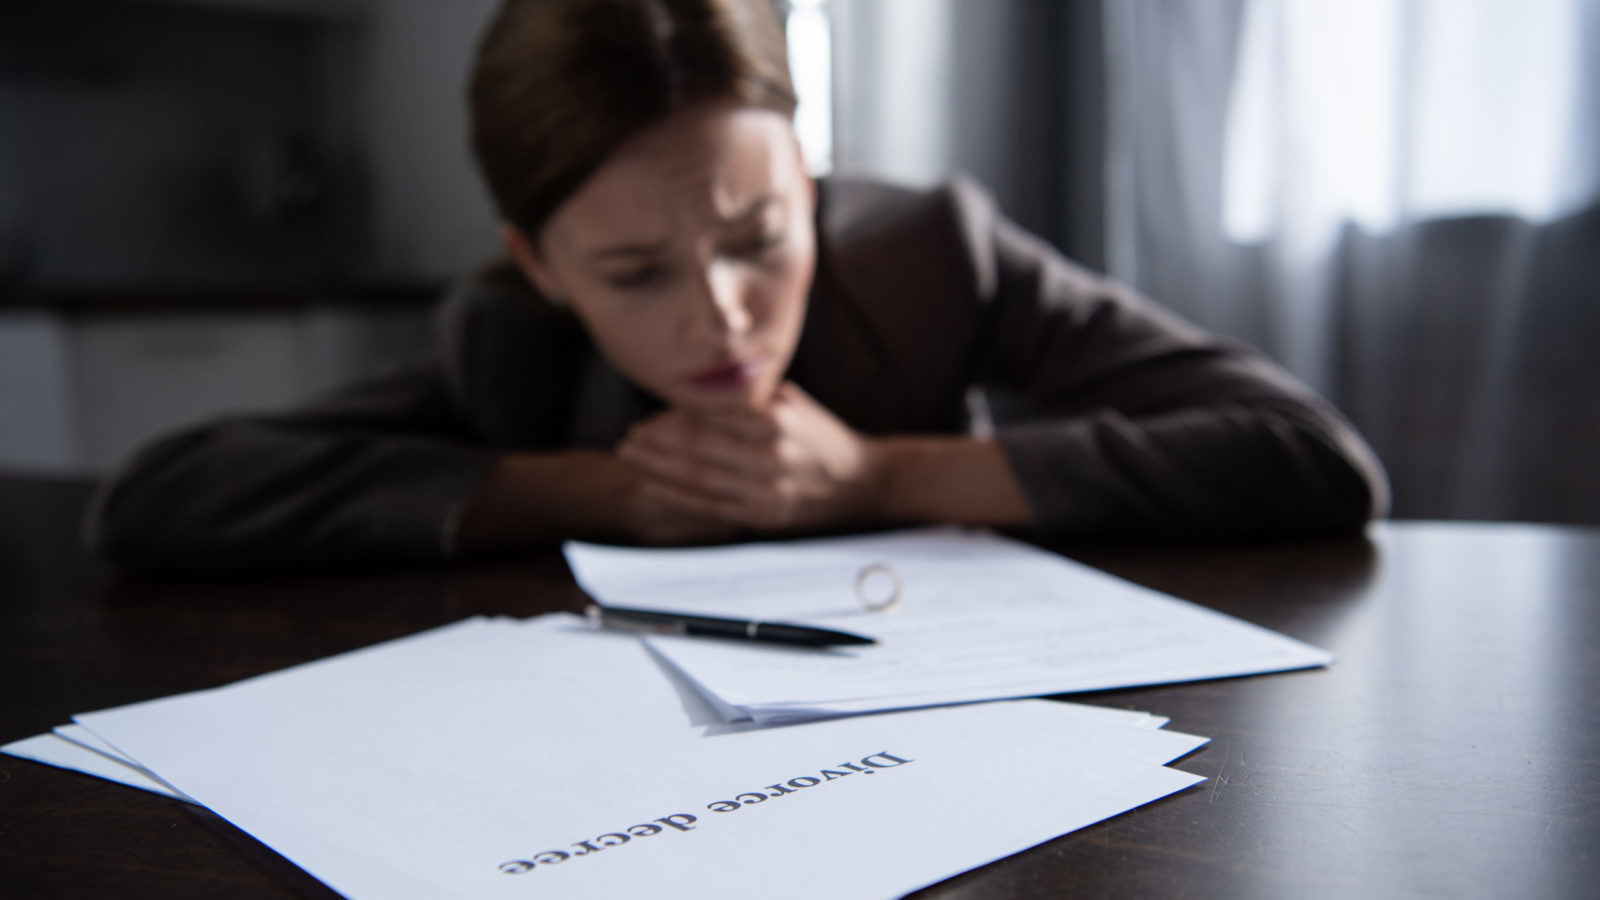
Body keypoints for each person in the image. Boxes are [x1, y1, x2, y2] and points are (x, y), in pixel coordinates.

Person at [86, 0, 1387, 575]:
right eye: (635, 272)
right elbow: (160, 501)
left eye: (761, 236)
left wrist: (881, 476)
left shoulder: (935, 254)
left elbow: (1309, 458)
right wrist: (607, 489)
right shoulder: (510, 344)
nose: (717, 317)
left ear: (810, 181)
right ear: (540, 265)